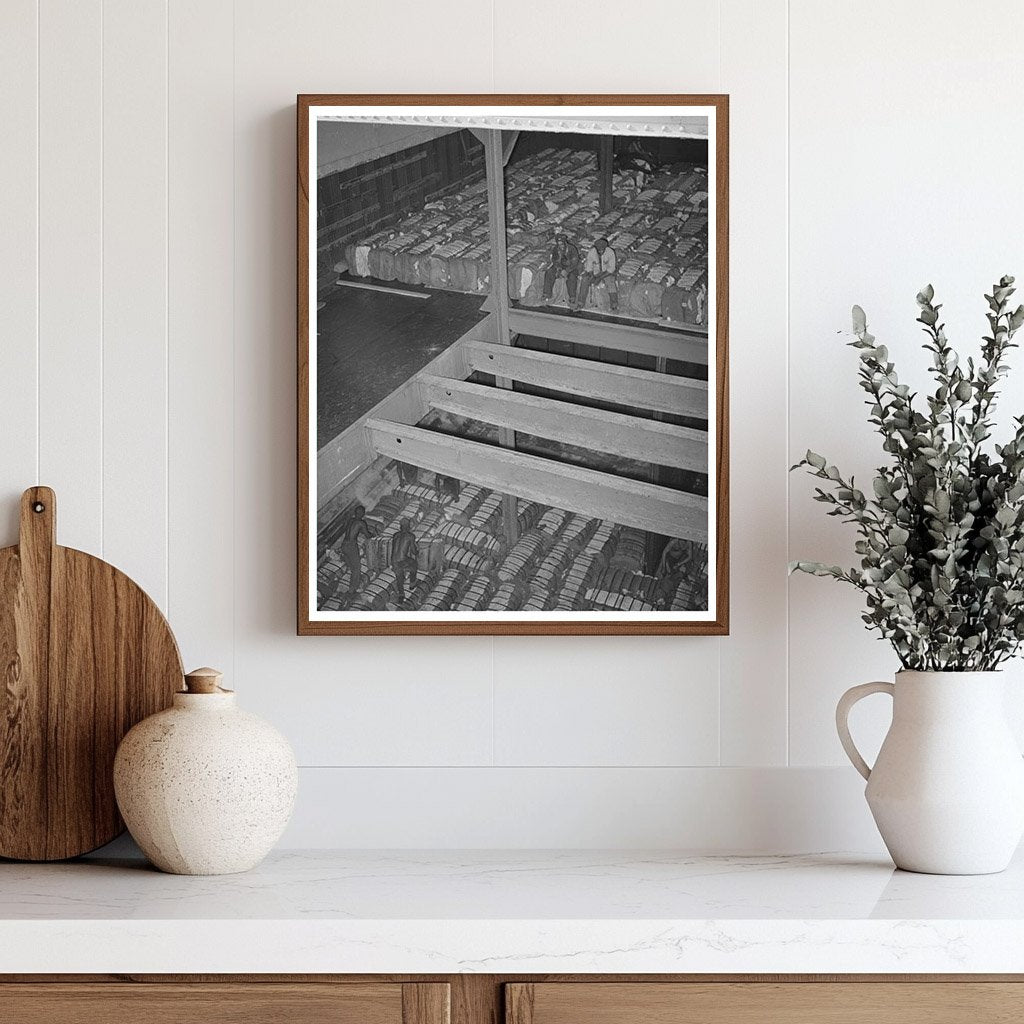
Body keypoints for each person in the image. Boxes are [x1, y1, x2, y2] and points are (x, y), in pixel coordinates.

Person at [338, 504, 373, 595]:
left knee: (351, 566)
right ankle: (351, 590)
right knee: (357, 568)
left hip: (344, 545)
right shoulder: (361, 523)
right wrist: (373, 535)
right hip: (351, 546)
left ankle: (348, 582)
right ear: (362, 514)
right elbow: (367, 535)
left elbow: (351, 530)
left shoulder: (351, 520)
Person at [575, 237, 617, 311]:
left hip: (606, 272)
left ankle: (614, 305)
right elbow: (589, 267)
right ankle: (580, 303)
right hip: (595, 272)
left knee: (610, 282)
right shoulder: (592, 252)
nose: (600, 252)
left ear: (605, 248)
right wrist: (593, 276)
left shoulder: (610, 252)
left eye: (602, 250)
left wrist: (600, 278)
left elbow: (611, 269)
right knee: (585, 280)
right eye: (599, 250)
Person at [541, 233, 580, 305]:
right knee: (549, 272)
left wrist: (567, 270)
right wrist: (559, 269)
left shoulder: (572, 249)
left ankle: (572, 296)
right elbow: (554, 260)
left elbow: (575, 263)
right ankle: (547, 293)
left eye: (561, 243)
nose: (560, 245)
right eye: (558, 243)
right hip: (560, 266)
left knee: (572, 277)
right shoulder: (555, 249)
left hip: (571, 267)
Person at [391, 518, 419, 604]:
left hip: (393, 561)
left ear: (400, 526)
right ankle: (412, 584)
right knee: (414, 563)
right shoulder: (410, 536)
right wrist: (418, 550)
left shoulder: (395, 535)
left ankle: (401, 595)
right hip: (402, 561)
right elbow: (414, 551)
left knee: (399, 576)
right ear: (409, 526)